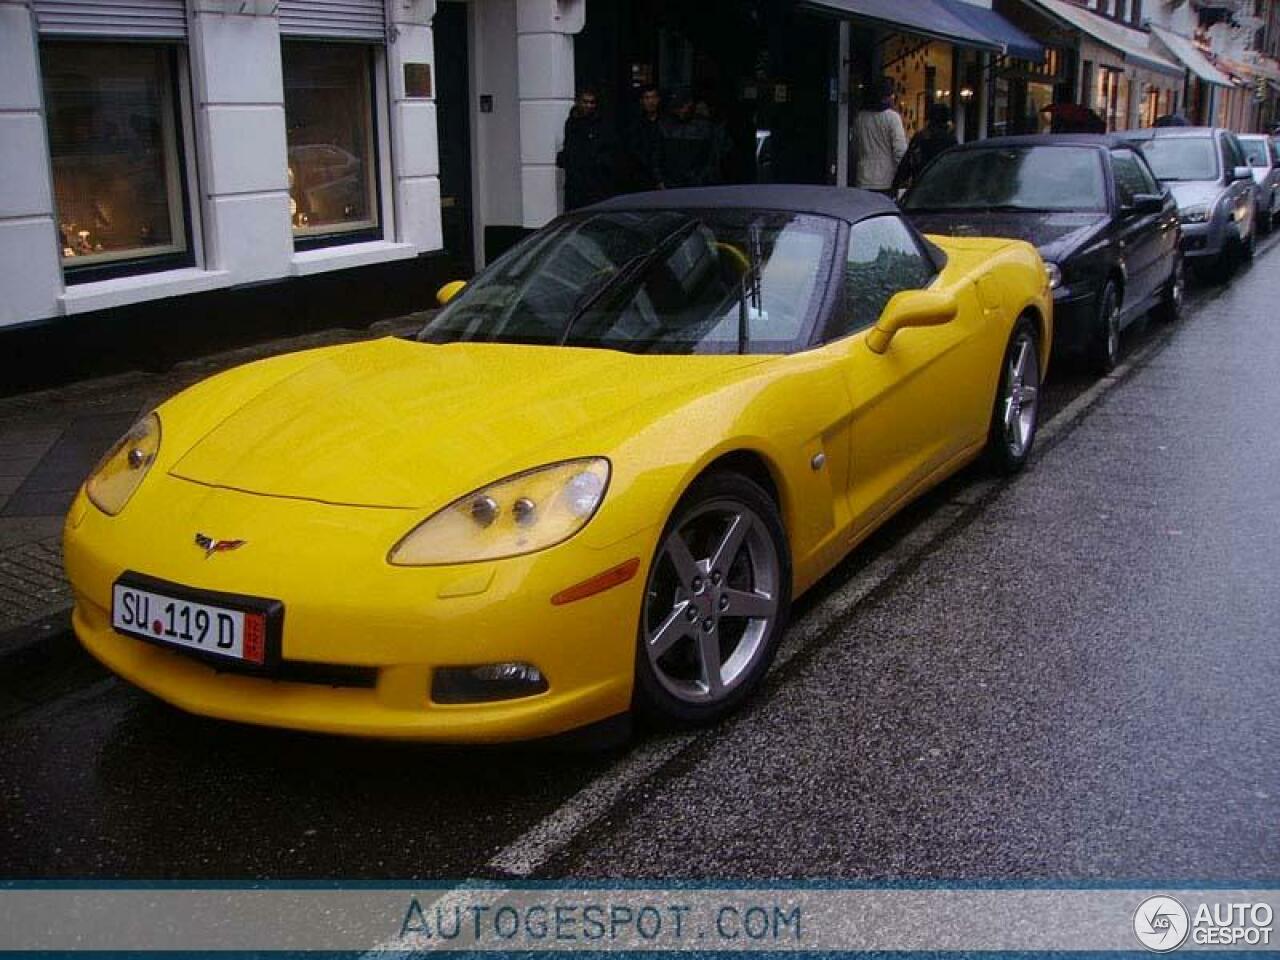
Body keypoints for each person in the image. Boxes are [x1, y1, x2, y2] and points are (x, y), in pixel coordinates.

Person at [558, 87, 615, 210]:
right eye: (585, 102)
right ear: (578, 102)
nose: (589, 106)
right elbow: (569, 146)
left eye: (592, 102)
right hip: (575, 181)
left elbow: (608, 148)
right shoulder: (571, 123)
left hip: (595, 181)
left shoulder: (602, 124)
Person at [854, 77, 908, 196]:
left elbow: (856, 146)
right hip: (886, 180)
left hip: (863, 177)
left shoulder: (860, 117)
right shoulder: (892, 118)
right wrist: (904, 175)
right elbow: (900, 150)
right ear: (887, 97)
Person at [893, 102, 957, 194]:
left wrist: (897, 183)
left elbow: (907, 162)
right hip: (943, 187)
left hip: (921, 186)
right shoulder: (950, 140)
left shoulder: (921, 137)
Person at [661, 90, 717, 188]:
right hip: (671, 184)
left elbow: (712, 158)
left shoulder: (704, 127)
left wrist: (701, 179)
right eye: (677, 107)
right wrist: (660, 179)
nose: (680, 111)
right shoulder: (664, 127)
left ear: (690, 105)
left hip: (698, 184)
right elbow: (658, 156)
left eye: (683, 106)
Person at [624, 85, 665, 191]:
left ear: (658, 99)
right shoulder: (634, 124)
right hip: (641, 177)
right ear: (641, 101)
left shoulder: (666, 122)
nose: (651, 101)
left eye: (653, 97)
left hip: (665, 175)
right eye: (647, 98)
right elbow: (634, 150)